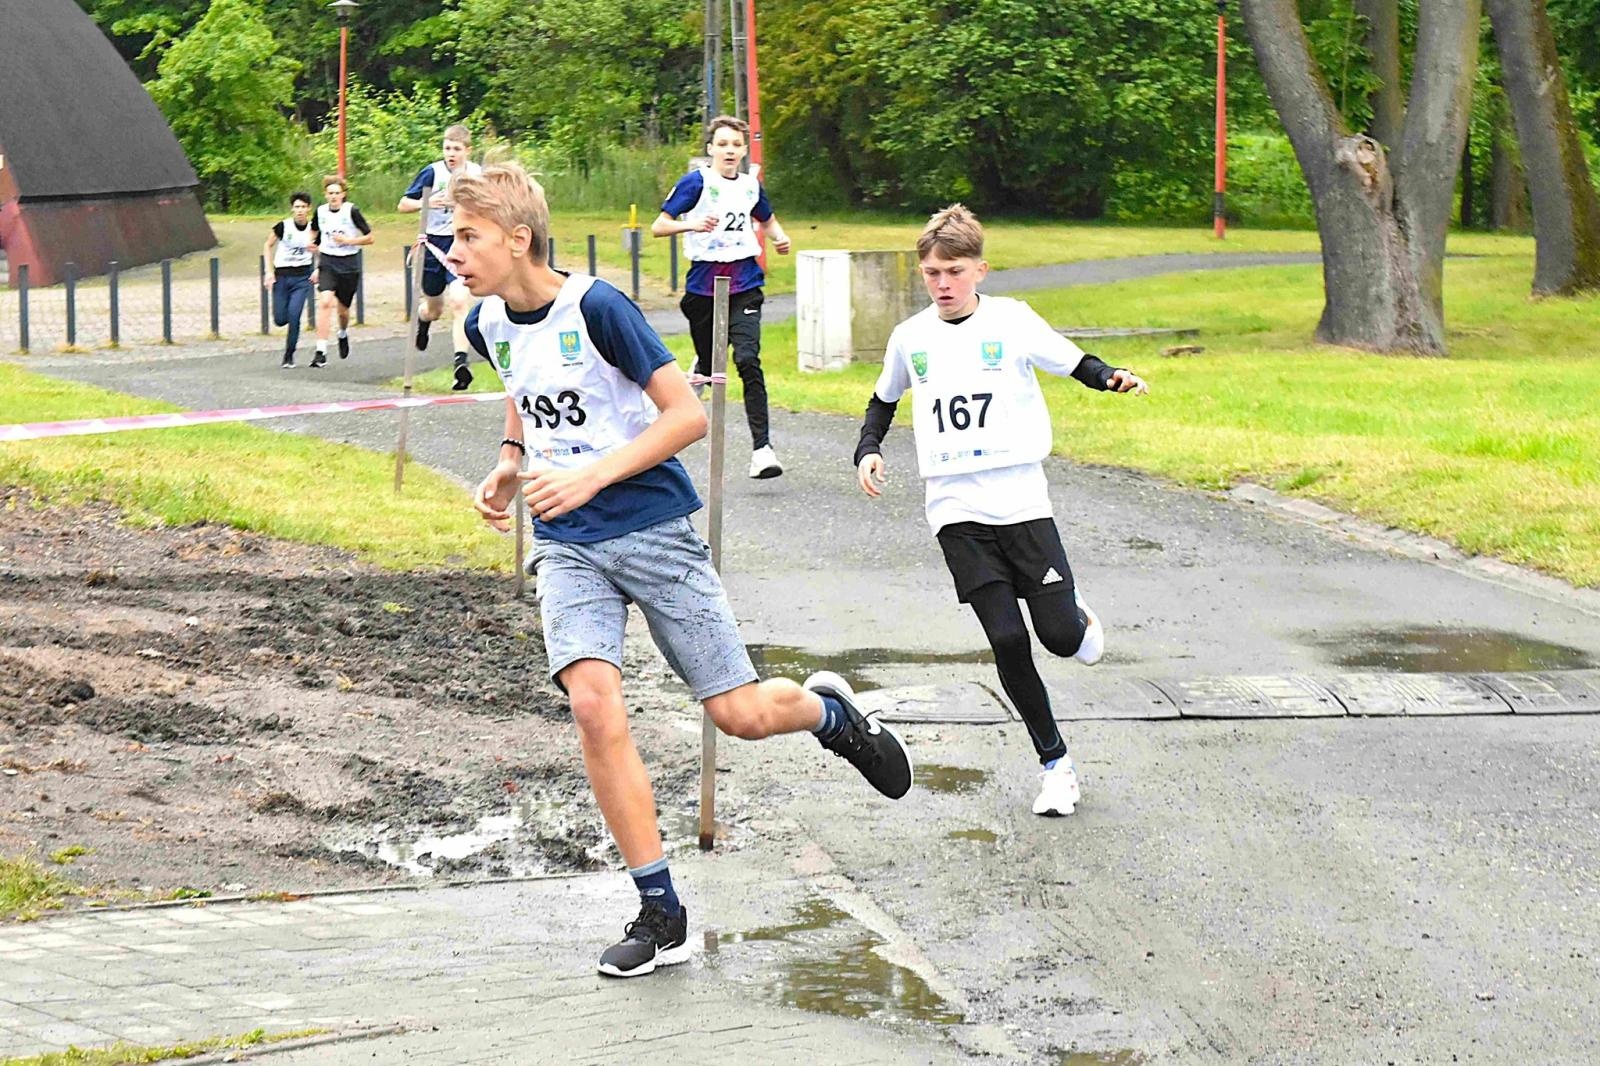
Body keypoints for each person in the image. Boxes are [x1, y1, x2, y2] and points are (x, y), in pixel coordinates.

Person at [448, 162, 912, 978]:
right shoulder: (487, 323)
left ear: (519, 239)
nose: (454, 251)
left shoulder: (597, 307)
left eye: (469, 237)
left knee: (739, 714)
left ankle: (832, 714)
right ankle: (660, 911)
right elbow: (525, 390)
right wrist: (511, 460)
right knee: (594, 704)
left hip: (655, 530)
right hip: (565, 542)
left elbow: (688, 415)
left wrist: (593, 472)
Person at [853, 204, 1148, 817]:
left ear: (980, 270)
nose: (941, 283)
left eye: (953, 271)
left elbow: (1074, 362)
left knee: (1061, 639)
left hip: (1019, 499)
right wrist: (868, 449)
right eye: (931, 272)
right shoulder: (911, 337)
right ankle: (1055, 765)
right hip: (954, 507)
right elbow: (883, 401)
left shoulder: (1012, 322)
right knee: (1008, 640)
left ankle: (1077, 617)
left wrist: (1112, 377)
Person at [652, 115, 791, 480]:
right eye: (723, 144)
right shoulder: (696, 182)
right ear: (711, 149)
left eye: (736, 145)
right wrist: (691, 224)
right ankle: (696, 373)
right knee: (711, 365)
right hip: (703, 286)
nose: (730, 151)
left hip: (744, 281)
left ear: (744, 150)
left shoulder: (750, 186)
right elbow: (659, 225)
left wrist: (779, 238)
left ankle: (763, 450)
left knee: (747, 359)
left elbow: (767, 217)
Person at [399, 124, 482, 390]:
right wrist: (428, 202)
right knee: (434, 309)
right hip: (433, 246)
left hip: (461, 244)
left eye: (457, 149)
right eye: (447, 148)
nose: (451, 154)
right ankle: (423, 321)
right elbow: (402, 205)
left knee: (459, 301)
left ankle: (461, 363)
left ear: (468, 150)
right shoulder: (432, 172)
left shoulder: (477, 174)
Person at [311, 175, 373, 367]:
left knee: (343, 311)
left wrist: (348, 241)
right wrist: (313, 245)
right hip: (328, 262)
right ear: (325, 195)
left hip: (349, 264)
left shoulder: (351, 211)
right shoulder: (320, 212)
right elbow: (314, 231)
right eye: (330, 193)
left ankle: (343, 332)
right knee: (325, 302)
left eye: (337, 193)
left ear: (343, 195)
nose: (334, 197)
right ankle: (320, 351)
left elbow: (370, 237)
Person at [262, 192, 317, 369]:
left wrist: (318, 269)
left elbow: (324, 249)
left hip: (302, 278)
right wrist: (269, 272)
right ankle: (283, 322)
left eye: (303, 207)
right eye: (297, 207)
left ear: (309, 208)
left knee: (294, 316)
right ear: (292, 209)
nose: (300, 211)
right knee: (280, 319)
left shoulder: (314, 229)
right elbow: (267, 245)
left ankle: (289, 354)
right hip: (282, 277)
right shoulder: (283, 226)